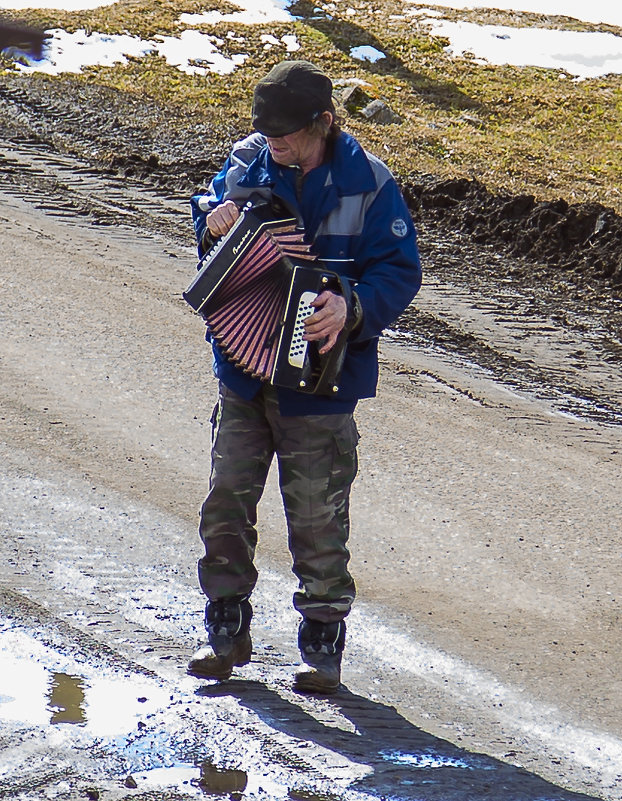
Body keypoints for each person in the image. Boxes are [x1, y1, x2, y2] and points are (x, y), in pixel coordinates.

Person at [187, 60, 422, 694]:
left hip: (321, 383)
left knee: (317, 516)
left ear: (324, 123)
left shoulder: (369, 183)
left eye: (286, 132)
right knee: (225, 504)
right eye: (265, 130)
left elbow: (399, 271)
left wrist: (353, 308)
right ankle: (226, 628)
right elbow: (208, 210)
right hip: (242, 373)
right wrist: (209, 217)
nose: (274, 143)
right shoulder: (248, 160)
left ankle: (321, 643)